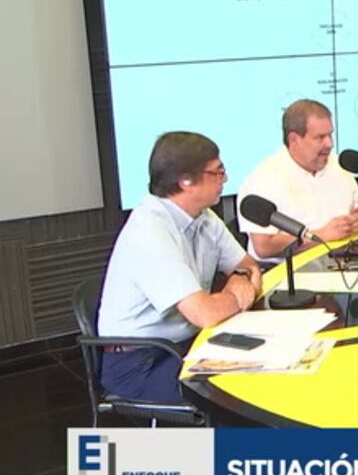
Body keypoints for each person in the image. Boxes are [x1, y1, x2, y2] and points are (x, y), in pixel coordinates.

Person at [98, 132, 263, 402]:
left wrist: (239, 276)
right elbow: (205, 314)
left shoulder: (204, 217)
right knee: (239, 392)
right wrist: (236, 295)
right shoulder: (149, 231)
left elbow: (249, 266)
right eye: (217, 172)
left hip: (188, 343)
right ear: (186, 181)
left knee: (271, 365)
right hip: (141, 363)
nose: (225, 179)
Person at [238, 99, 358, 263]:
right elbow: (264, 246)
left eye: (330, 135)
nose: (330, 144)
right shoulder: (262, 179)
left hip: (346, 261)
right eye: (320, 137)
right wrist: (321, 235)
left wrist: (357, 220)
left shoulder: (337, 164)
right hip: (290, 271)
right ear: (294, 139)